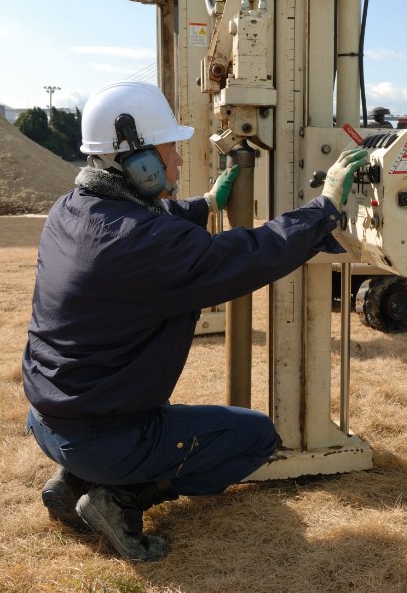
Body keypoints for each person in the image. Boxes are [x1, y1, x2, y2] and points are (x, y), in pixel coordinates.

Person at [22, 81, 366, 562]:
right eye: (169, 152)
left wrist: (205, 204)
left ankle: (72, 476)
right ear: (138, 163)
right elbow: (249, 255)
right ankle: (118, 497)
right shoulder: (148, 246)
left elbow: (145, 224)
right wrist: (322, 209)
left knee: (119, 432)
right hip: (102, 435)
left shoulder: (70, 209)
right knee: (255, 438)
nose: (179, 162)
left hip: (47, 420)